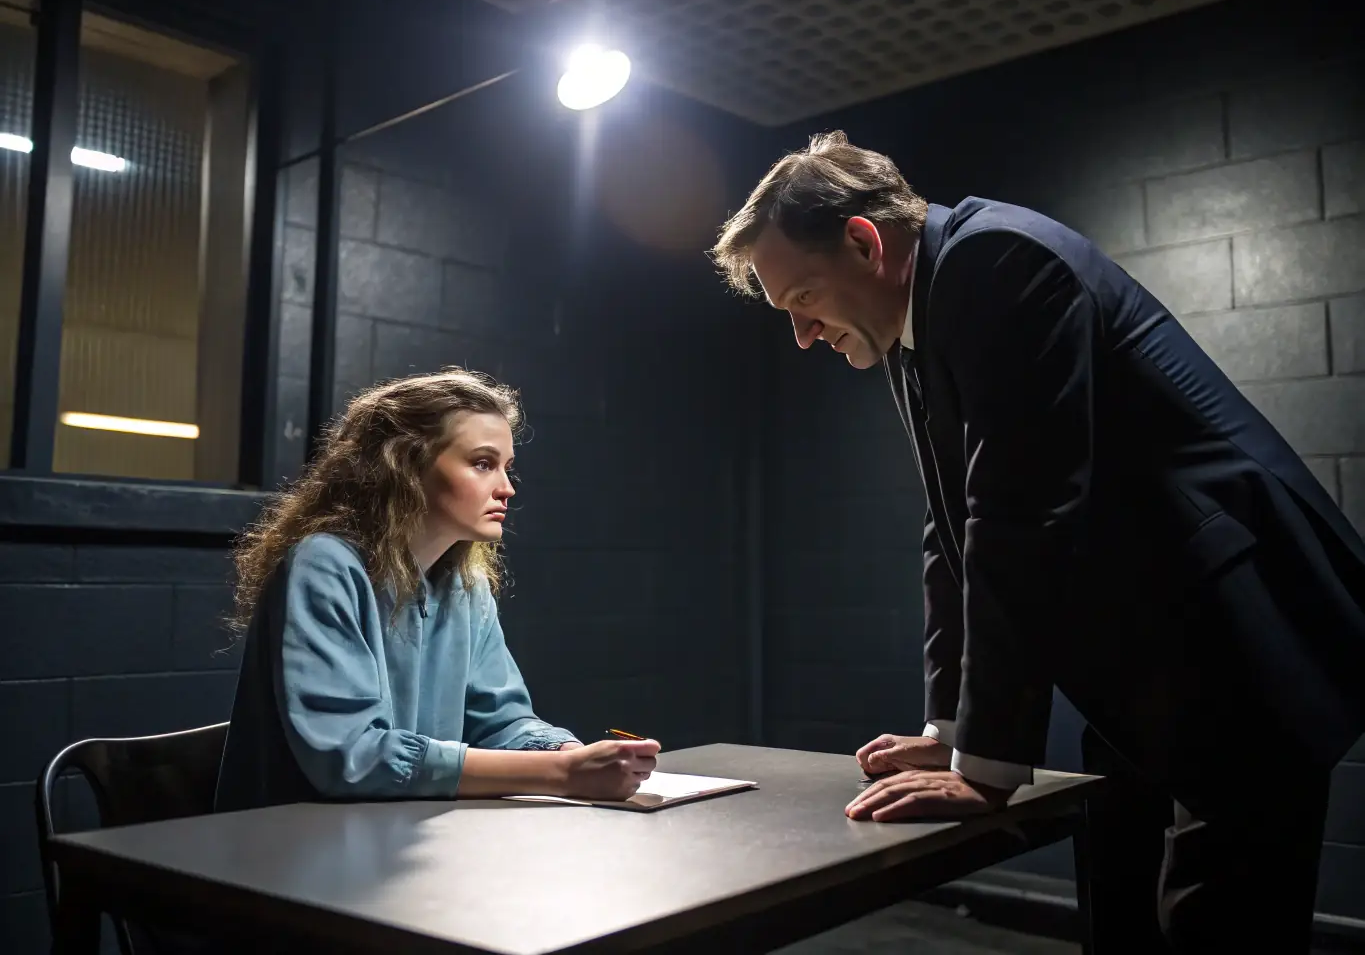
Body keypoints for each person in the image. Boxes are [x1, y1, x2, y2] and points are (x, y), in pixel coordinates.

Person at [711, 131, 1365, 953]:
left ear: (865, 243)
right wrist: (950, 731)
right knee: (1120, 907)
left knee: (1218, 927)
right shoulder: (918, 319)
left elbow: (1020, 519)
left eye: (803, 297)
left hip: (1242, 641)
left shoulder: (997, 261)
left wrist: (985, 770)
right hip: (1151, 660)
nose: (803, 335)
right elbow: (951, 528)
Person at [215, 368, 659, 812]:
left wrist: (569, 754)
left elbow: (500, 721)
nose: (506, 488)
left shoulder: (466, 586)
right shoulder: (324, 565)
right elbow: (351, 757)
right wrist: (562, 774)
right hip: (291, 843)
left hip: (401, 833)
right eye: (482, 464)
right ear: (406, 465)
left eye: (506, 467)